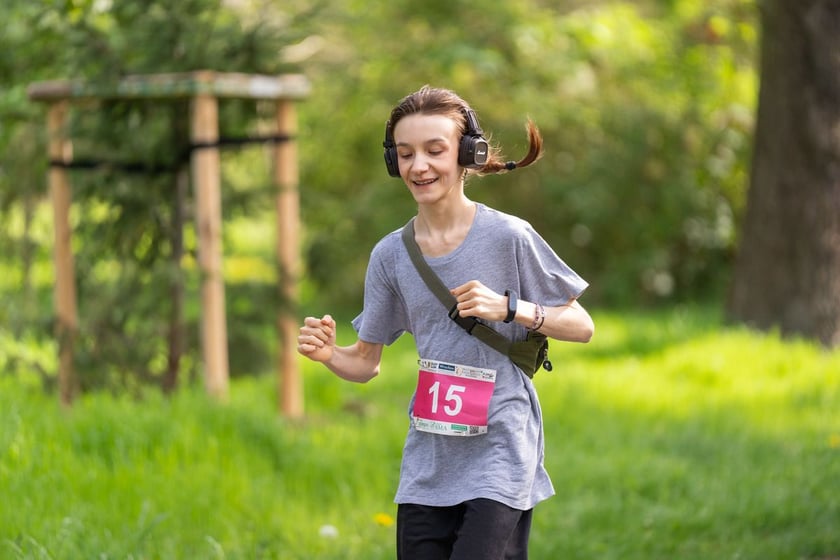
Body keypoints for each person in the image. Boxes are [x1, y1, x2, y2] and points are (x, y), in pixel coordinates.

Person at [297, 85, 594, 560]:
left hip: (501, 444)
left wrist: (510, 307)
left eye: (435, 150)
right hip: (429, 459)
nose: (419, 166)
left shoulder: (509, 236)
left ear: (467, 154)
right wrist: (329, 354)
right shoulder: (390, 256)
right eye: (406, 153)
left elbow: (581, 325)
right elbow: (366, 363)